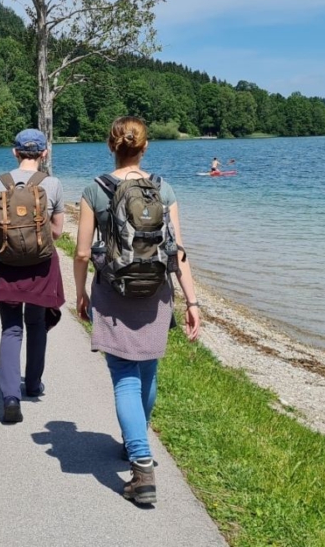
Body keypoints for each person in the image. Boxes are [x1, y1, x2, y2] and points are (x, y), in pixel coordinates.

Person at [74, 116, 202, 507]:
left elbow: (81, 252)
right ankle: (138, 438)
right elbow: (177, 253)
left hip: (113, 293)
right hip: (157, 294)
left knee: (124, 375)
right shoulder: (164, 188)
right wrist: (193, 303)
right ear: (145, 146)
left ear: (111, 146)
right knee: (147, 369)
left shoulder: (95, 189)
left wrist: (79, 292)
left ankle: (141, 463)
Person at [0, 128, 65, 424]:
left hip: (5, 264)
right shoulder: (52, 184)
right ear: (44, 153)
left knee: (11, 329)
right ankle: (32, 384)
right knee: (37, 324)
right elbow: (56, 232)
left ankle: (10, 397)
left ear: (14, 152)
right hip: (41, 265)